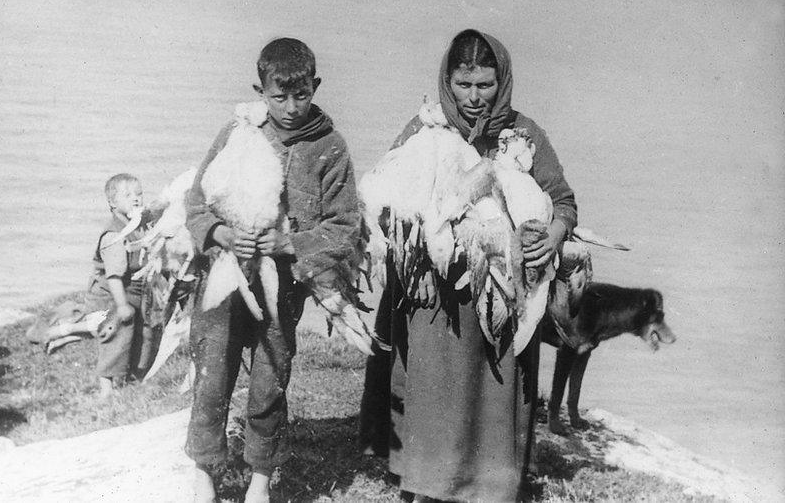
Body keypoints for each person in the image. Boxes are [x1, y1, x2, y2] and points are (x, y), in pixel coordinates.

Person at [361, 29, 578, 502]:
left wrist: (552, 236)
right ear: (447, 80)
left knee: (493, 394)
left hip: (500, 299)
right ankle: (425, 487)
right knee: (435, 391)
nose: (475, 98)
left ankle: (487, 488)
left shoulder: (524, 135)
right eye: (464, 85)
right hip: (435, 305)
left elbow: (563, 200)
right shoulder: (424, 131)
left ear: (502, 82)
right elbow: (384, 192)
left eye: (485, 85)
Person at [184, 38, 361, 503]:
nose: (289, 107)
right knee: (213, 372)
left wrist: (290, 243)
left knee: (269, 378)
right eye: (277, 96)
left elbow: (344, 225)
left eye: (300, 95)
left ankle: (260, 478)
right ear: (259, 90)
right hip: (222, 279)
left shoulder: (330, 146)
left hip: (282, 287)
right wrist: (220, 234)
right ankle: (205, 471)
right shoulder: (239, 130)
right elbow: (197, 200)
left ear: (314, 87)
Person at [86, 173, 161, 398]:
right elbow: (114, 276)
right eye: (127, 195)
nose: (136, 199)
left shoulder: (137, 225)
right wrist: (121, 305)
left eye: (139, 194)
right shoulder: (114, 234)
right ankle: (106, 388)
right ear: (112, 203)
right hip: (112, 294)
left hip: (135, 290)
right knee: (115, 335)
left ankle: (136, 377)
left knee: (145, 333)